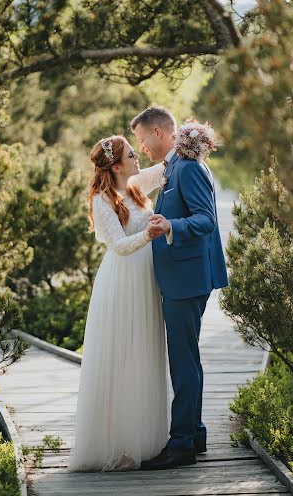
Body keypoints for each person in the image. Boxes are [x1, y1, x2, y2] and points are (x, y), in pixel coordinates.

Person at [131, 106, 229, 471]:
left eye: (142, 140)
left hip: (187, 280)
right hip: (182, 277)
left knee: (183, 360)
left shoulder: (187, 168)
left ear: (159, 132)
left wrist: (169, 226)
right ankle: (195, 433)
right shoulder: (175, 167)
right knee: (187, 357)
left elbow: (206, 220)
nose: (141, 148)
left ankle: (182, 443)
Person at [69, 135, 168, 472]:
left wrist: (188, 139)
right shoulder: (102, 199)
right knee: (123, 358)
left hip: (146, 279)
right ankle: (118, 445)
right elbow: (119, 246)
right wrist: (149, 234)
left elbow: (166, 169)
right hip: (122, 282)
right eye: (131, 155)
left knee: (143, 354)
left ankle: (143, 439)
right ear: (115, 166)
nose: (137, 158)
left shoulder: (137, 185)